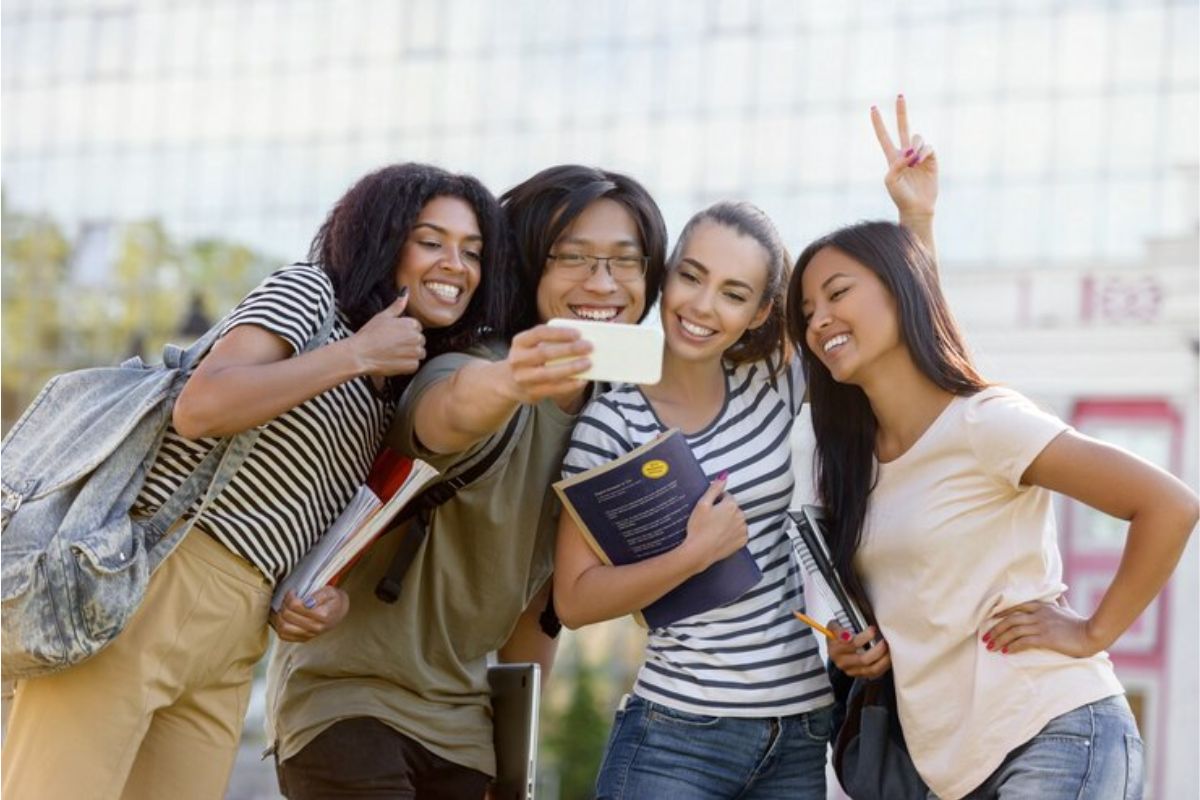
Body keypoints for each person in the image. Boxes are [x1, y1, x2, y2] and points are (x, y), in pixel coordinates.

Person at [0, 162, 510, 800]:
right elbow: (202, 407)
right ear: (384, 238)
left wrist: (317, 598)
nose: (455, 265)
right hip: (150, 586)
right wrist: (355, 355)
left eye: (472, 251)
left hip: (236, 640)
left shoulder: (394, 393)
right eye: (431, 241)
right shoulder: (311, 295)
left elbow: (291, 518)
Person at [550, 96, 937, 800]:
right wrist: (693, 553)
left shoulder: (778, 381)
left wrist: (916, 222)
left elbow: (903, 353)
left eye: (733, 294)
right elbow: (573, 602)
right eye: (691, 277)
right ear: (666, 276)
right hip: (675, 735)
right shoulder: (610, 425)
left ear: (761, 312)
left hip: (799, 733)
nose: (702, 307)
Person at [266, 164, 669, 799]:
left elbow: (538, 612)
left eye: (626, 261)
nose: (603, 283)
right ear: (529, 263)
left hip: (463, 732)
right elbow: (445, 412)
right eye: (575, 258)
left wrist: (516, 773)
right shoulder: (471, 367)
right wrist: (513, 378)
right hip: (349, 703)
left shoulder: (610, 425)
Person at [791, 219, 1199, 800]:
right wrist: (857, 647)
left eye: (837, 293)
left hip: (1053, 731)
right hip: (951, 770)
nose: (818, 320)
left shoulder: (984, 422)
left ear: (902, 290)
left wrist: (1092, 632)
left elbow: (1169, 504)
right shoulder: (856, 466)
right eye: (806, 311)